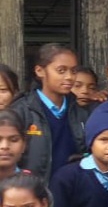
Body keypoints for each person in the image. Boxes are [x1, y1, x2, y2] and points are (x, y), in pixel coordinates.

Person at [14, 44, 89, 179]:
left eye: (73, 71)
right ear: (39, 71)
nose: (69, 77)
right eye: (61, 71)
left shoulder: (81, 111)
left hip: (72, 192)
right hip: (32, 192)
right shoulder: (21, 111)